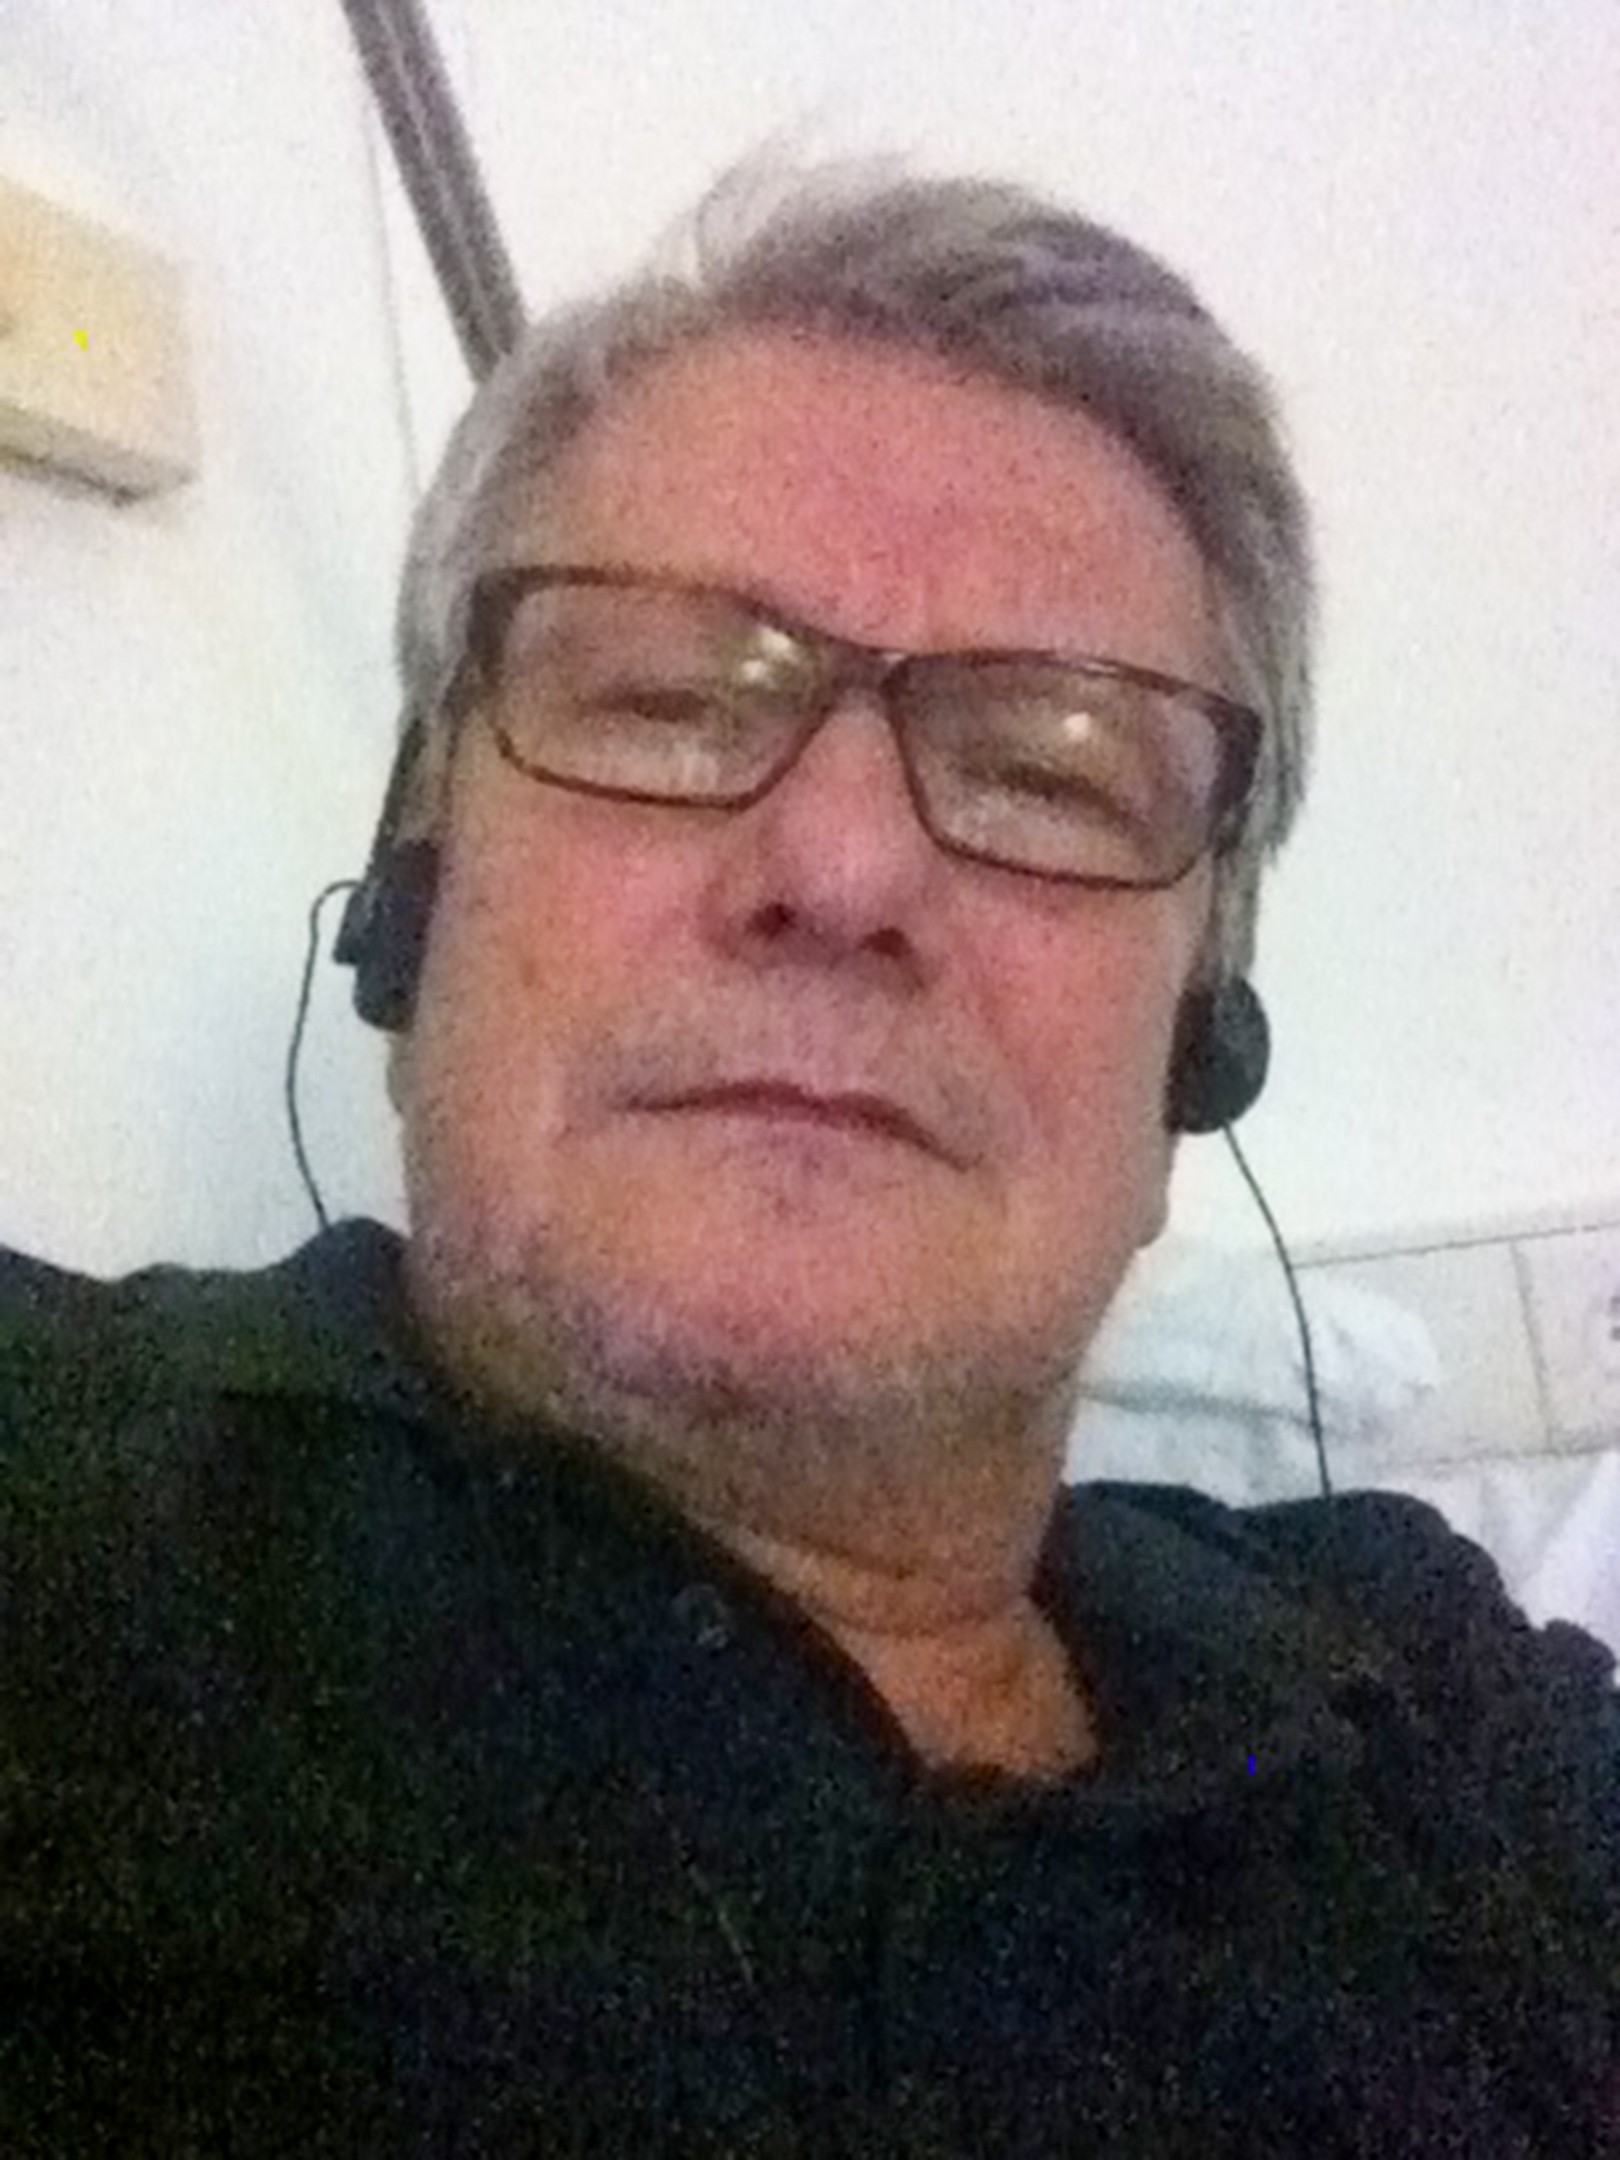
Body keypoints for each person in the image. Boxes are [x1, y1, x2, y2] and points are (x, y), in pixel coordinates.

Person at [2, 161, 1615, 2155]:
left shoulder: (1439, 1711)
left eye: (1046, 772)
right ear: (417, 890)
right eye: (670, 704)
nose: (843, 871)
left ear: (1201, 1037)